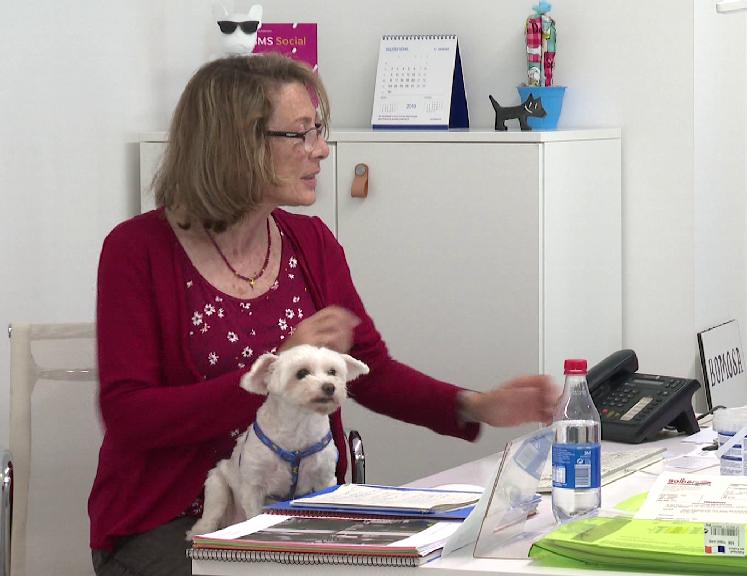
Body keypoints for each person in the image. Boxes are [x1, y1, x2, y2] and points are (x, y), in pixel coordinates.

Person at [88, 54, 558, 576]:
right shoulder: (138, 250)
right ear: (237, 144)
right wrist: (275, 372)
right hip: (175, 522)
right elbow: (129, 416)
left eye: (319, 131)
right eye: (301, 134)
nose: (321, 150)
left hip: (299, 515)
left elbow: (372, 371)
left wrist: (477, 406)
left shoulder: (310, 244)